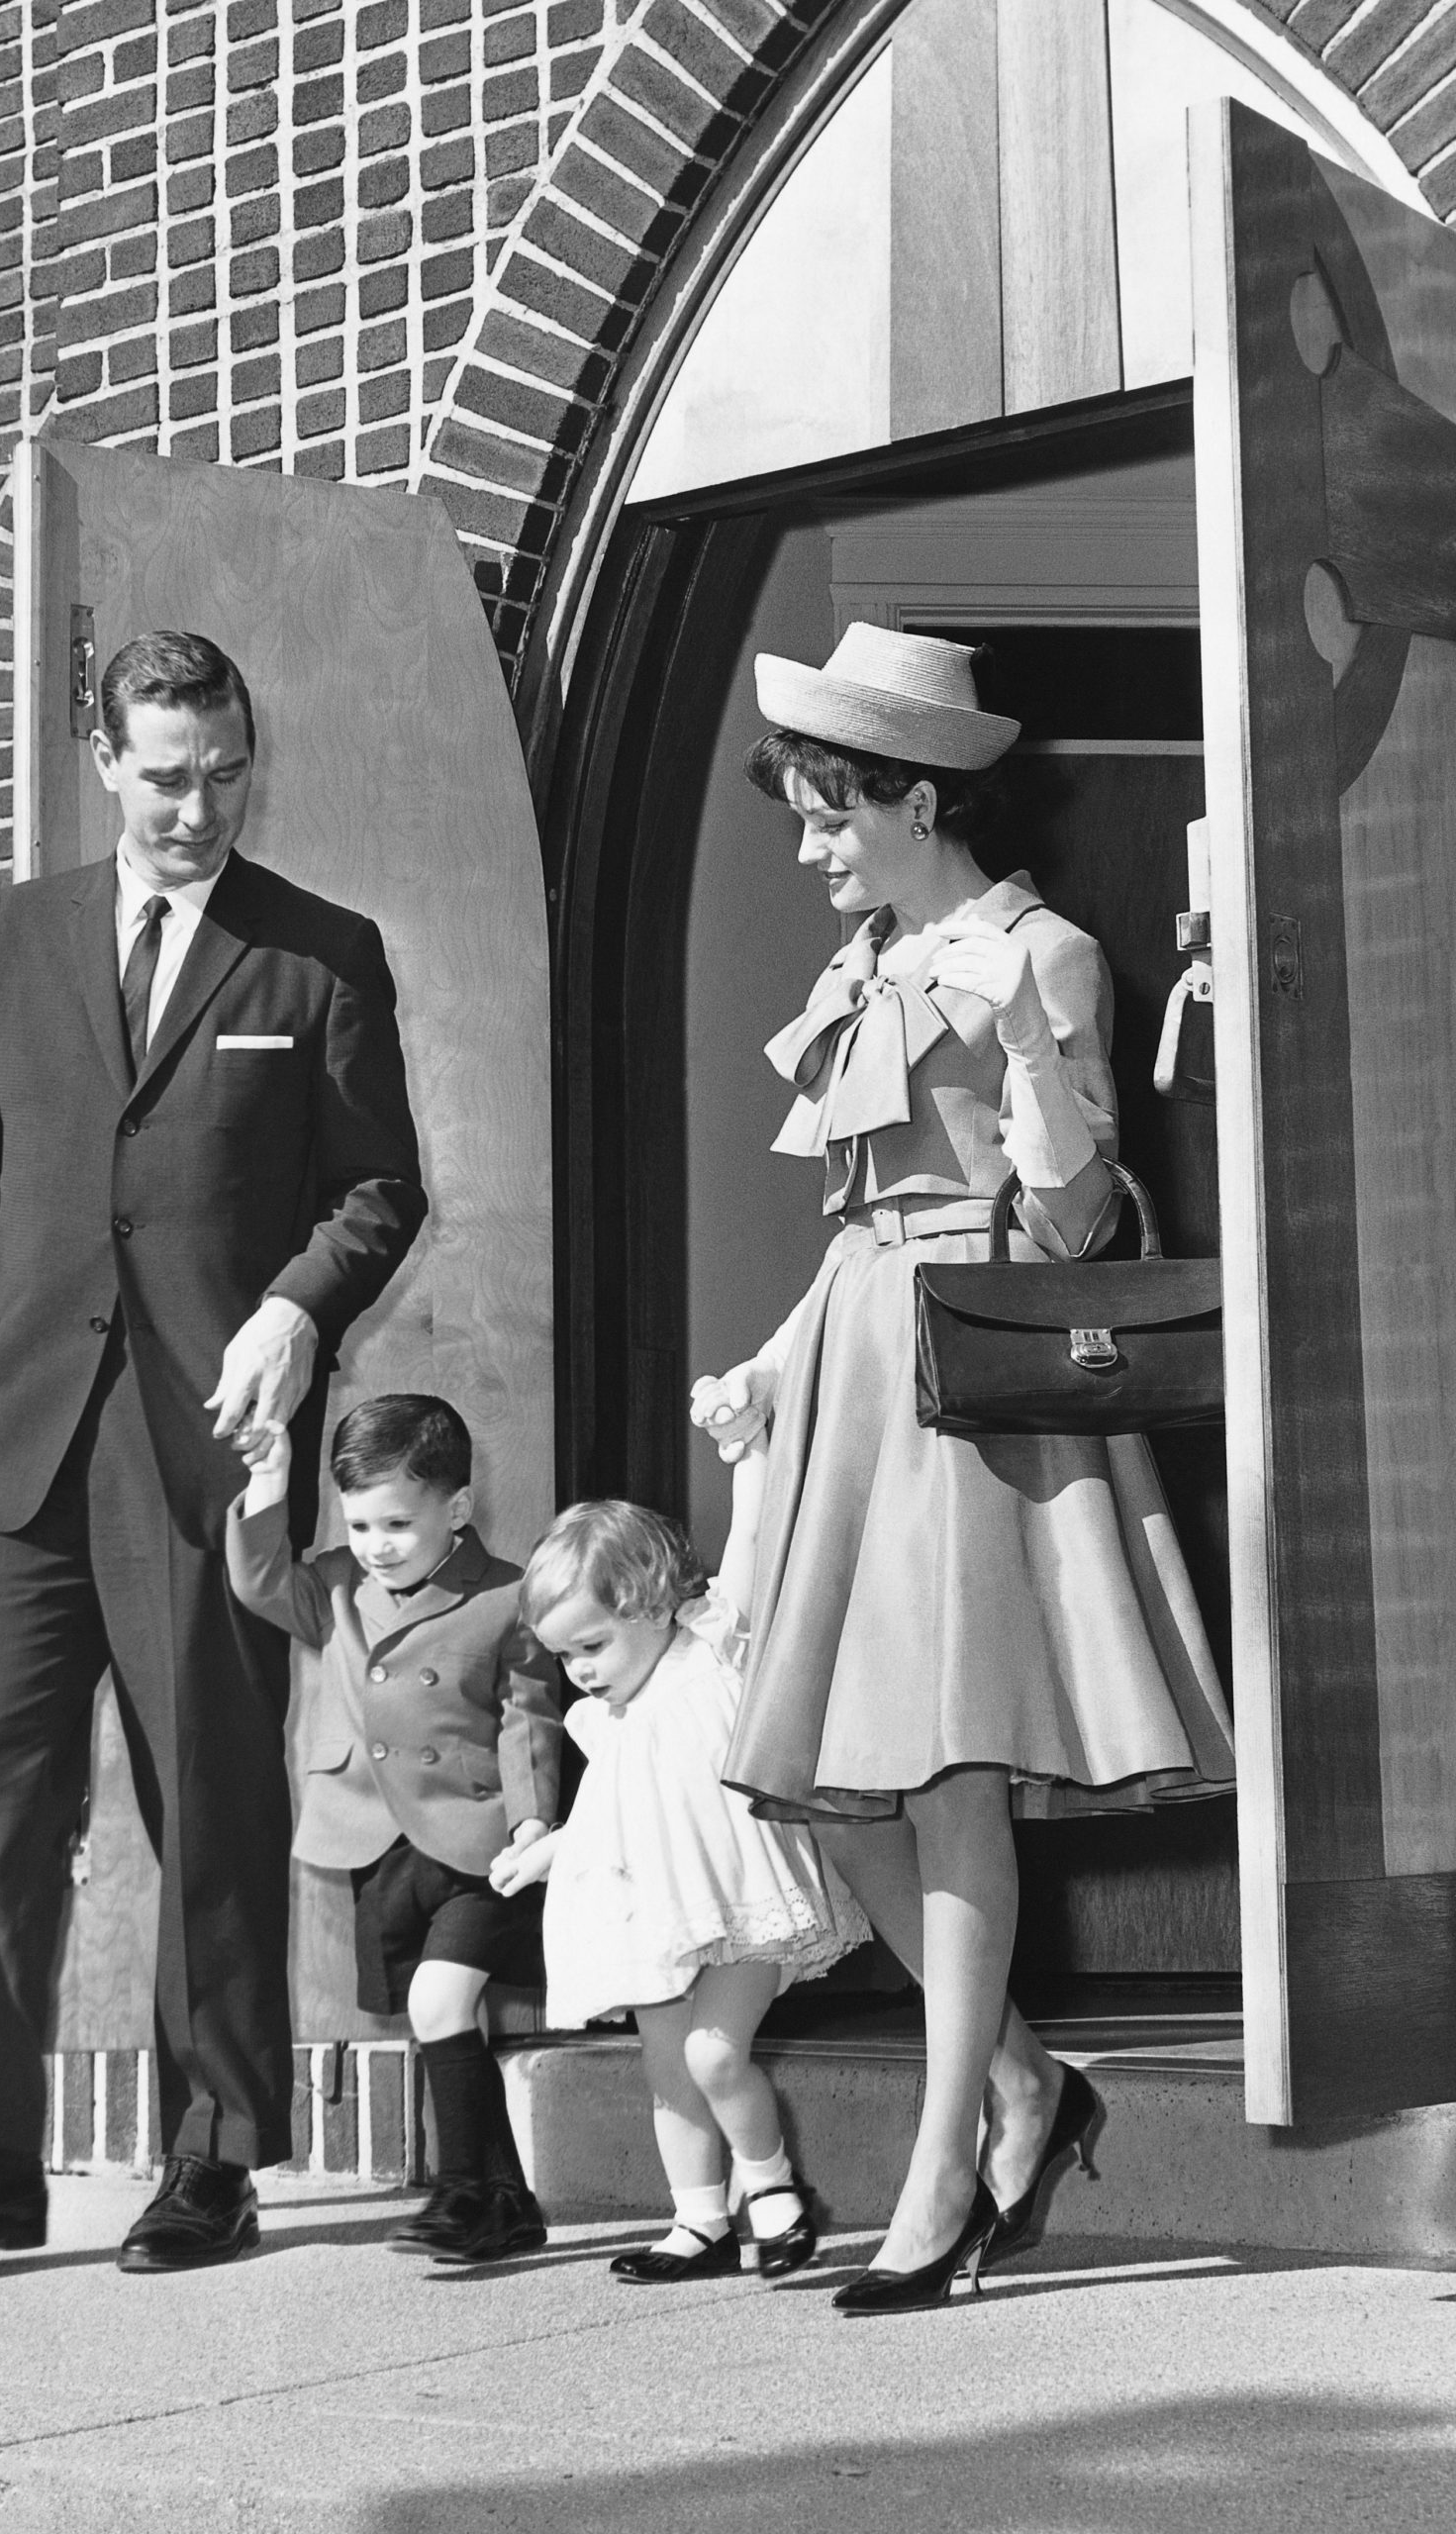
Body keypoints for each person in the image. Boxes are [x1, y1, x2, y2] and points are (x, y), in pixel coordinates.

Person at [0, 631, 427, 2270]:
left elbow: (378, 1191)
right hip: (24, 1439)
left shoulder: (319, 954)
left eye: (224, 771)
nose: (196, 806)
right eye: (166, 775)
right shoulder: (15, 935)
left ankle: (216, 2154)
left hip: (205, 1445)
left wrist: (302, 1307)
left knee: (210, 1800)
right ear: (105, 758)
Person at [691, 625, 1234, 2313]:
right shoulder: (854, 970)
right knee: (806, 1775)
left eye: (827, 812)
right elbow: (854, 1223)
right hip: (850, 1379)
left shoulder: (1046, 955)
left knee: (942, 1778)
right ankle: (1015, 2081)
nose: (807, 845)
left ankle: (940, 2179)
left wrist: (1016, 1046)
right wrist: (771, 1365)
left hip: (973, 1390)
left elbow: (1077, 1222)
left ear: (917, 796)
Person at [492, 1445, 869, 2286]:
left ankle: (772, 2190)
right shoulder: (611, 1720)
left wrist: (751, 1447)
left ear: (651, 1604)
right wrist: (546, 1850)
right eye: (563, 1657)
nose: (579, 1673)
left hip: (739, 1911)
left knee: (713, 2055)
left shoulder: (709, 1657)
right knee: (669, 2073)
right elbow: (608, 1816)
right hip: (653, 1918)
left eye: (590, 1645)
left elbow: (752, 1537)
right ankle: (699, 2221)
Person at [228, 1393, 563, 2264]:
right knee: (442, 2020)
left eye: (399, 1525)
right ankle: (507, 2200)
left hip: (478, 1840)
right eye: (362, 1523)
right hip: (373, 1841)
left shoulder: (507, 1596)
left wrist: (533, 1824)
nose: (377, 1545)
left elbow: (529, 1719)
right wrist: (268, 1479)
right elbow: (260, 1580)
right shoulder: (336, 1584)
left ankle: (458, 2195)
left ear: (456, 1509)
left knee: (440, 2001)